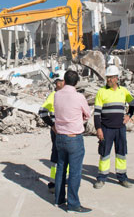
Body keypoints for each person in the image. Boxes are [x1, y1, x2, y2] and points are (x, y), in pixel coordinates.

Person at [53, 70, 92, 213]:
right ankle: (73, 204)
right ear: (76, 82)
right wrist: (78, 121)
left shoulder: (57, 95)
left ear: (64, 80)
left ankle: (59, 199)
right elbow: (87, 114)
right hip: (74, 137)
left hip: (60, 137)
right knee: (75, 172)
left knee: (61, 169)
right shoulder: (79, 97)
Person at [93, 65, 134, 189]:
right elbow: (96, 113)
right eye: (107, 77)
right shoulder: (101, 92)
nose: (109, 80)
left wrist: (128, 115)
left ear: (117, 78)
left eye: (111, 77)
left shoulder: (124, 91)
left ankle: (122, 178)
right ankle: (101, 178)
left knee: (121, 153)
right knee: (104, 154)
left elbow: (132, 104)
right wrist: (98, 128)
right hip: (106, 128)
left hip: (120, 129)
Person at [38, 70, 66, 193]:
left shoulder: (69, 95)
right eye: (56, 82)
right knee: (56, 155)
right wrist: (52, 125)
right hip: (57, 131)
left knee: (67, 155)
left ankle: (65, 179)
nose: (56, 84)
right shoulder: (53, 95)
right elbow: (42, 112)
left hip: (67, 131)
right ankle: (53, 182)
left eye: (58, 82)